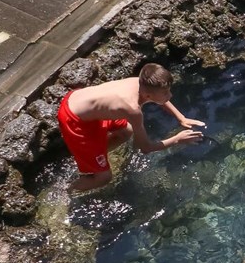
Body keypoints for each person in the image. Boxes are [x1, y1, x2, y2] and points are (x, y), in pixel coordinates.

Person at [57, 64, 204, 192]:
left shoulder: (140, 82)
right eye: (166, 93)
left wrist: (181, 118)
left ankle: (93, 157)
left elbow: (160, 98)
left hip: (79, 102)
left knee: (126, 131)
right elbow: (146, 147)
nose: (170, 95)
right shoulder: (132, 109)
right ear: (148, 95)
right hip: (73, 120)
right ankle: (67, 190)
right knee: (104, 178)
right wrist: (177, 139)